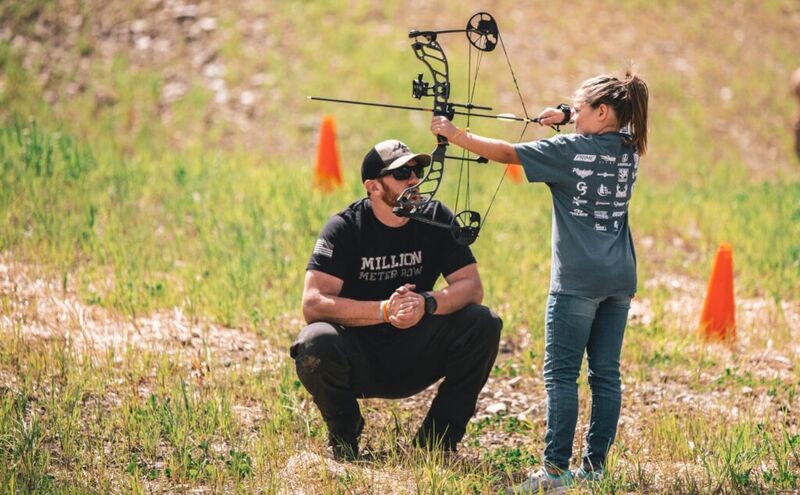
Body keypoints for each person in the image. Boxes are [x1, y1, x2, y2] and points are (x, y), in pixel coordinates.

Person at [431, 70, 648, 493]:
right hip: (620, 277)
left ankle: (553, 473)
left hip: (577, 281)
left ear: (602, 111)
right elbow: (603, 125)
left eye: (581, 109)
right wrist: (568, 113)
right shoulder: (631, 147)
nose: (575, 116)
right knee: (605, 374)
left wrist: (454, 133)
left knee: (562, 375)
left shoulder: (569, 150)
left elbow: (506, 152)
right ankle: (594, 469)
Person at [290, 139, 503, 461]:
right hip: (360, 356)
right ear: (373, 187)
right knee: (314, 343)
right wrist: (384, 310)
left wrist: (426, 303)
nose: (414, 180)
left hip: (417, 351)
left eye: (416, 170)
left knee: (483, 322)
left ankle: (437, 443)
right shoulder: (345, 228)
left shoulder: (435, 217)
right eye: (402, 173)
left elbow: (471, 286)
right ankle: (344, 436)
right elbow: (314, 303)